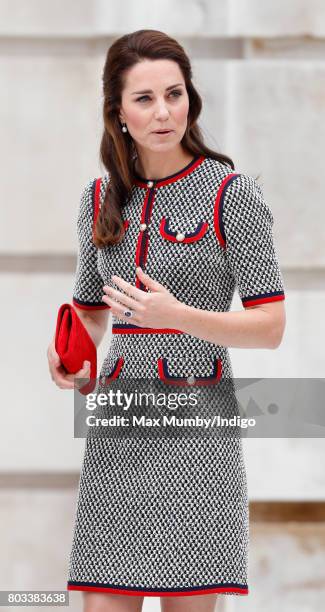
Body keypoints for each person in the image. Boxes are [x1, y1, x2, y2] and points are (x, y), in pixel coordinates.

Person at [47, 29, 286, 612]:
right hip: (118, 433)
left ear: (191, 99)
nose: (164, 112)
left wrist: (177, 316)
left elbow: (271, 325)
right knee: (102, 602)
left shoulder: (232, 194)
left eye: (175, 94)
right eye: (145, 98)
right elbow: (93, 307)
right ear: (118, 112)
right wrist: (72, 352)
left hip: (199, 438)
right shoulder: (99, 198)